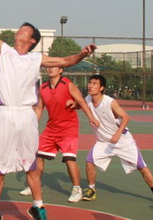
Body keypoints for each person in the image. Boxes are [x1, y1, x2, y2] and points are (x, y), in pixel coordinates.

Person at [0, 0, 95, 220]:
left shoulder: (36, 59)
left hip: (26, 116)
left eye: (25, 29)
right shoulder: (2, 50)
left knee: (31, 167)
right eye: (20, 28)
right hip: (5, 114)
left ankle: (38, 207)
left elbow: (66, 60)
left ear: (32, 39)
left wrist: (83, 54)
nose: (20, 30)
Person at [82, 74, 153, 205]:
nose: (90, 86)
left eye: (94, 84)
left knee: (141, 166)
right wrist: (72, 104)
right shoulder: (88, 99)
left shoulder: (109, 102)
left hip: (122, 141)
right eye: (90, 83)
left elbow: (126, 117)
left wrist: (117, 134)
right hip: (104, 141)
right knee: (89, 162)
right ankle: (91, 189)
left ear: (101, 88)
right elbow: (80, 104)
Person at [20, 66, 99, 203]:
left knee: (69, 159)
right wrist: (31, 126)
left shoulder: (68, 84)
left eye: (54, 67)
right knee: (38, 156)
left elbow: (81, 102)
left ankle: (77, 189)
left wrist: (91, 117)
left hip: (69, 128)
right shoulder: (43, 88)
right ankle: (35, 185)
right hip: (51, 128)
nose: (50, 69)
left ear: (60, 70)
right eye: (48, 67)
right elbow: (39, 108)